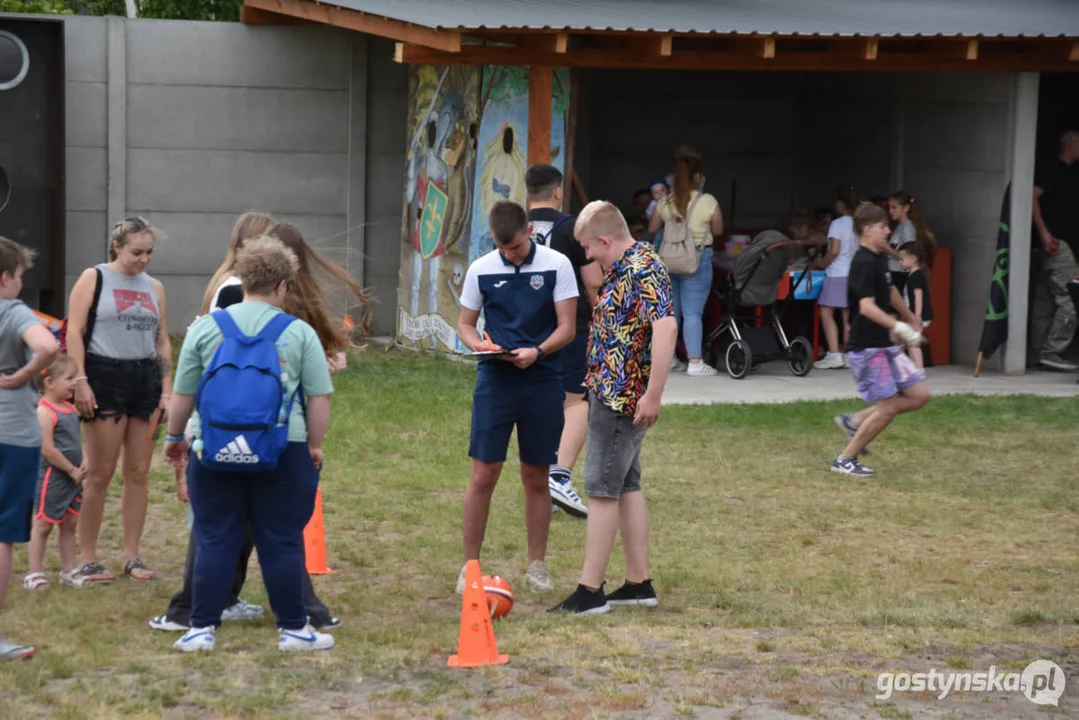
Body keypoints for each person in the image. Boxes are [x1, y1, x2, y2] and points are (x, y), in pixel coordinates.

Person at [150, 215, 348, 632]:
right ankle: (295, 629)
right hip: (282, 444)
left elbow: (184, 394)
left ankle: (200, 628)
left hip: (215, 445)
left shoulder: (206, 329)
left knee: (216, 538)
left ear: (241, 279)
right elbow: (320, 397)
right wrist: (314, 445)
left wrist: (174, 438)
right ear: (283, 285)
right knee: (279, 540)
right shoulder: (297, 333)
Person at [548, 201, 677, 615]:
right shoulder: (631, 265)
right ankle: (639, 584)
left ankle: (589, 591)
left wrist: (652, 394)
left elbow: (666, 326)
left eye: (590, 248)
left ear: (606, 239)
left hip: (622, 397)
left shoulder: (640, 268)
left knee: (601, 489)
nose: (589, 256)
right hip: (612, 392)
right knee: (626, 485)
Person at [456, 200, 577, 594]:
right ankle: (469, 567)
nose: (509, 255)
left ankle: (537, 566)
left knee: (535, 475)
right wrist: (480, 345)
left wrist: (538, 352)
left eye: (516, 248)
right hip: (495, 378)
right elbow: (465, 324)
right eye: (502, 249)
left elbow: (567, 328)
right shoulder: (481, 268)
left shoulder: (557, 264)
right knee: (483, 473)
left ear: (529, 230)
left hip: (542, 377)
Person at [67, 217, 171, 583]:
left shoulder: (154, 287)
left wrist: (167, 389)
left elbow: (162, 341)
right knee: (100, 473)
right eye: (136, 252)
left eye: (149, 252)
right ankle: (89, 557)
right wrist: (80, 379)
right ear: (117, 247)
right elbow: (74, 331)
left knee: (139, 473)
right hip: (104, 376)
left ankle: (132, 554)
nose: (144, 259)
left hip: (145, 380)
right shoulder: (93, 278)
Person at [525, 164, 603, 519]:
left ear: (528, 192)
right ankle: (559, 475)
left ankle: (541, 478)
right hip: (569, 327)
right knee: (577, 402)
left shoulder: (516, 226)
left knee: (544, 402)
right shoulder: (571, 228)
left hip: (525, 330)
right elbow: (594, 282)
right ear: (558, 192)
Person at [831, 204, 929, 477]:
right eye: (883, 226)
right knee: (888, 409)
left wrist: (910, 317)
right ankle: (845, 459)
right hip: (867, 349)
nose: (888, 230)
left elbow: (890, 291)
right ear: (867, 229)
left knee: (920, 395)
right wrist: (900, 327)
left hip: (884, 347)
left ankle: (856, 420)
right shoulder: (862, 262)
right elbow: (866, 307)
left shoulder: (878, 258)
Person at [0, 236, 60, 659]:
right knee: (1, 534)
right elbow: (48, 346)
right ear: (5, 278)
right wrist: (24, 374)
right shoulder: (12, 310)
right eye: (20, 277)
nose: (21, 285)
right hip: (11, 431)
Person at [648, 149, 723, 376]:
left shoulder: (665, 202)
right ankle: (695, 361)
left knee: (670, 313)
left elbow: (652, 229)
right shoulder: (707, 200)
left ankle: (668, 359)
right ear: (697, 177)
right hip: (696, 261)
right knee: (692, 314)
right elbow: (718, 230)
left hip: (668, 261)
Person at [24, 355, 88, 591]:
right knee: (43, 525)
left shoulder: (70, 408)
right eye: (69, 378)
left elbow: (77, 441)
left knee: (69, 523)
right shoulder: (44, 412)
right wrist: (71, 469)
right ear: (49, 382)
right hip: (53, 478)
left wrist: (84, 463)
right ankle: (34, 573)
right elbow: (48, 449)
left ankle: (69, 569)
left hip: (74, 479)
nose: (74, 383)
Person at [1030, 131, 1079, 373]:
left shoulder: (1070, 172)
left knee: (1046, 300)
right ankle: (1052, 350)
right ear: (1070, 145)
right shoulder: (1053, 169)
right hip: (1055, 245)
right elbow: (1032, 196)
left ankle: (1041, 350)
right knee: (1071, 297)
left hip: (1054, 245)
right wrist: (1044, 233)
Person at [813, 186, 860, 370]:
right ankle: (849, 355)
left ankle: (834, 354)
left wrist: (821, 263)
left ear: (840, 204)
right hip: (855, 273)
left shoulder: (838, 224)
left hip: (838, 272)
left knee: (826, 312)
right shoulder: (861, 223)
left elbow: (834, 251)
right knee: (847, 315)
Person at [898, 242, 934, 369]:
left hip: (918, 315)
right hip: (914, 314)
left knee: (913, 343)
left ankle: (918, 369)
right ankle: (910, 367)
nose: (899, 262)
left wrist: (917, 316)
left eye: (901, 259)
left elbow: (918, 297)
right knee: (907, 341)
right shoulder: (914, 275)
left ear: (913, 258)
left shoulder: (916, 276)